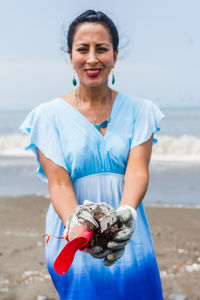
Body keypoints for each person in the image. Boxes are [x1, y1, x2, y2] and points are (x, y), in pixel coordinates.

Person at [19, 10, 165, 300]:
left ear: (115, 54)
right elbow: (58, 183)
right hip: (74, 233)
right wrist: (77, 224)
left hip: (129, 231)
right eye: (82, 49)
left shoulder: (141, 111)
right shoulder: (47, 116)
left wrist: (127, 213)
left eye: (102, 49)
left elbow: (137, 170)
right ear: (70, 54)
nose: (92, 59)